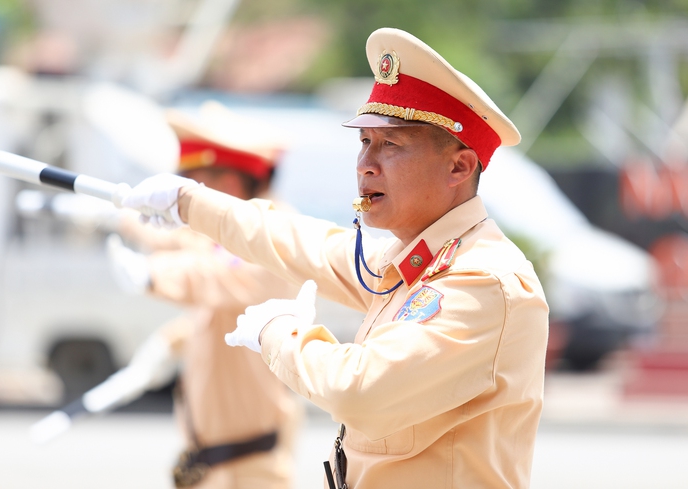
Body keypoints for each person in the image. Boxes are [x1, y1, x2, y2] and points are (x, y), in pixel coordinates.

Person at [121, 28, 550, 489]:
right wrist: (192, 202)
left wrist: (280, 335)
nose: (366, 163)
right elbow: (299, 242)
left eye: (391, 145)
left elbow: (359, 391)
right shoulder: (416, 262)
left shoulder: (480, 279)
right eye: (364, 142)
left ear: (459, 167)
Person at [108, 101, 303, 489]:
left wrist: (150, 273)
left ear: (233, 184)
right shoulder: (236, 235)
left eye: (201, 186)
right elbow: (213, 301)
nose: (194, 204)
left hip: (249, 467)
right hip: (216, 463)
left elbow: (214, 277)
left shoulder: (272, 237)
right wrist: (168, 344)